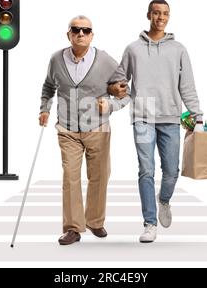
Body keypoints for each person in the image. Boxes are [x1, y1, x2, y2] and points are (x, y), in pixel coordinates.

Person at [108, 0, 203, 243]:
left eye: (165, 14)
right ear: (148, 14)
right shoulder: (133, 49)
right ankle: (150, 223)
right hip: (143, 115)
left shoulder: (179, 49)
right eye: (157, 13)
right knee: (146, 170)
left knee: (171, 171)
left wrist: (197, 116)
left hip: (171, 116)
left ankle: (164, 200)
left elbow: (187, 86)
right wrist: (115, 94)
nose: (161, 17)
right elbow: (119, 81)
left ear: (168, 17)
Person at [39, 15, 130, 245]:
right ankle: (73, 228)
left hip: (97, 128)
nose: (81, 34)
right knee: (70, 177)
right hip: (67, 129)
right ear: (68, 34)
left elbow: (125, 92)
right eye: (76, 30)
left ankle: (95, 221)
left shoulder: (106, 61)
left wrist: (111, 104)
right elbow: (49, 86)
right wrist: (44, 109)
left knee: (99, 176)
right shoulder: (56, 60)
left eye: (86, 30)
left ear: (92, 35)